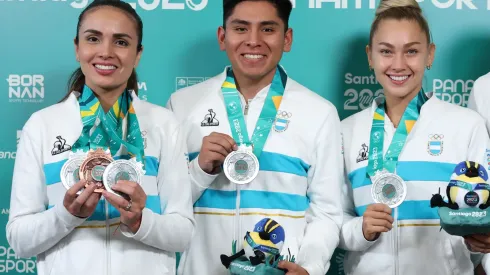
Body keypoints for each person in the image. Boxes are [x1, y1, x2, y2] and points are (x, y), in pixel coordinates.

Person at [6, 1, 194, 274]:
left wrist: (140, 221)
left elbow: (183, 234)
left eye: (121, 42)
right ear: (77, 48)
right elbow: (20, 240)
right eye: (93, 38)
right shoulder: (42, 125)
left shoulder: (164, 124)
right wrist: (67, 215)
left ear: (138, 53)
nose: (106, 52)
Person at [166, 0, 343, 274]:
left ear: (287, 38)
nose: (253, 41)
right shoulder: (182, 106)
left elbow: (327, 213)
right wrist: (199, 170)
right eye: (241, 28)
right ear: (222, 37)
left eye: (268, 29)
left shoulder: (320, 113)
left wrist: (309, 266)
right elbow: (165, 205)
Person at [339, 0, 489, 274]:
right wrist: (359, 230)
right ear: (370, 56)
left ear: (430, 55)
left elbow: (482, 215)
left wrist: (479, 239)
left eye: (411, 51)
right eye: (386, 51)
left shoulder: (467, 125)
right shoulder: (345, 130)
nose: (398, 64)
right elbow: (330, 218)